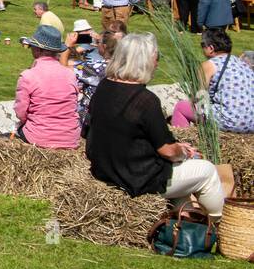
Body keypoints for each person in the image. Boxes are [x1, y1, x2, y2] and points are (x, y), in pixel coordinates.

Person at [85, 33, 225, 223]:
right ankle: (218, 224)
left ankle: (185, 222)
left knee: (182, 178)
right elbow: (167, 151)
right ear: (142, 62)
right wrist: (183, 152)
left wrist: (176, 148)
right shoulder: (145, 100)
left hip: (106, 168)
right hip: (136, 176)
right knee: (207, 171)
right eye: (155, 59)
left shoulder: (104, 87)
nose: (157, 64)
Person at [170, 28, 254, 133]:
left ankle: (184, 144)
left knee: (181, 107)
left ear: (210, 48)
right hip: (251, 122)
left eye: (202, 46)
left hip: (230, 121)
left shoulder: (209, 65)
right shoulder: (242, 65)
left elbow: (200, 97)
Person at [14, 24, 81, 148]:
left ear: (38, 50)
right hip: (70, 138)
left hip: (39, 137)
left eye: (32, 46)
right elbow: (73, 104)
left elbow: (20, 112)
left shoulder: (28, 76)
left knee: (16, 129)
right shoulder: (70, 74)